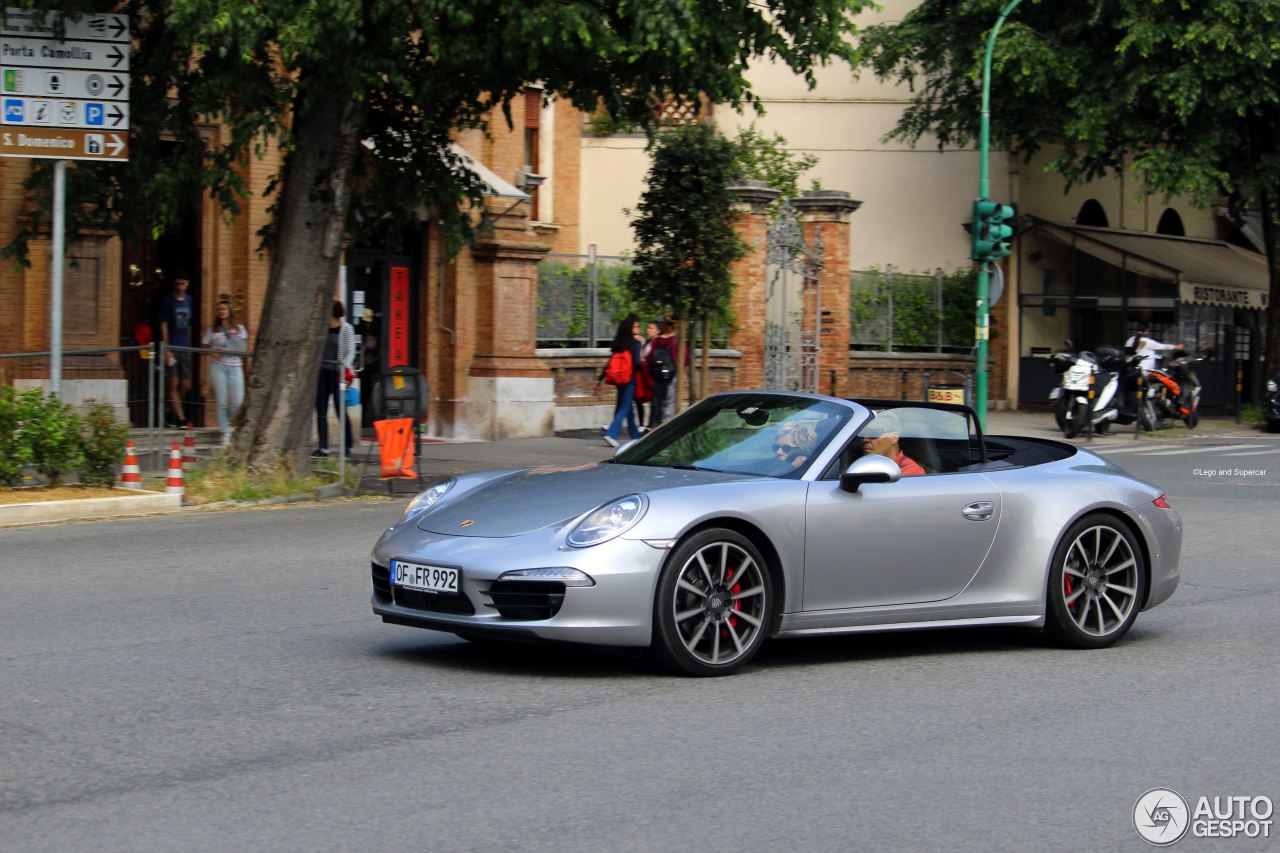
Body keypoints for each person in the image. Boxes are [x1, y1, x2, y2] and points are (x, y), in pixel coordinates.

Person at [313, 300, 357, 458]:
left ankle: (346, 446)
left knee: (340, 410)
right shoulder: (321, 329)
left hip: (338, 374)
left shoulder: (346, 329)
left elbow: (351, 351)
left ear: (332, 312)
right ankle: (323, 447)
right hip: (322, 373)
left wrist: (343, 365)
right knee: (321, 410)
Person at [202, 300, 248, 446]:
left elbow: (244, 348)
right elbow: (204, 345)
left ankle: (226, 421)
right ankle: (225, 432)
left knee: (238, 401)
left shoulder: (239, 328)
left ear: (229, 310)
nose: (221, 311)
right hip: (218, 367)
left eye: (223, 309)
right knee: (221, 401)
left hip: (235, 366)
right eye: (218, 309)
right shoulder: (212, 329)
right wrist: (212, 354)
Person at [596, 314, 642, 447]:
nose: (639, 328)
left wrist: (600, 378)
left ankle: (636, 438)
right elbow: (637, 363)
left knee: (628, 410)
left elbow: (610, 362)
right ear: (630, 328)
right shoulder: (635, 344)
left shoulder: (619, 343)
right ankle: (612, 434)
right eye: (636, 326)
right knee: (624, 408)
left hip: (619, 380)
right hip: (630, 380)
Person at [158, 271, 195, 427]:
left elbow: (190, 325)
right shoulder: (167, 302)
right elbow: (163, 325)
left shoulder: (189, 300)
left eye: (183, 283)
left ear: (187, 284)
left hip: (185, 347)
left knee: (186, 384)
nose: (181, 287)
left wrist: (191, 346)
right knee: (173, 383)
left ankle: (168, 409)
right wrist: (166, 349)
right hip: (172, 347)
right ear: (174, 285)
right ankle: (181, 419)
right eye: (178, 284)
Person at [859, 410, 925, 476]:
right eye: (862, 434)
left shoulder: (911, 472)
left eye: (873, 433)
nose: (865, 440)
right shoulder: (861, 466)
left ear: (894, 438)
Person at [646, 318, 678, 428]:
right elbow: (681, 360)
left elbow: (650, 359)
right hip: (669, 377)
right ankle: (665, 428)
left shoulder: (656, 341)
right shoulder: (675, 341)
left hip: (657, 377)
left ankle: (655, 426)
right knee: (668, 403)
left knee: (657, 402)